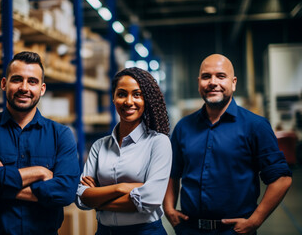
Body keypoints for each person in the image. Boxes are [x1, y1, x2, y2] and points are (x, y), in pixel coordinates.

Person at [163, 54, 292, 235]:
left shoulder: (255, 126)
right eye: (206, 76)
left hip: (234, 231)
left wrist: (255, 221)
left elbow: (281, 179)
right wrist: (168, 209)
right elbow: (171, 172)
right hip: (190, 229)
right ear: (199, 82)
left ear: (233, 82)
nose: (213, 82)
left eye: (221, 76)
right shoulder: (184, 127)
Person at [0, 51, 80, 235]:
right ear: (4, 84)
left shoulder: (61, 135)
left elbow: (66, 192)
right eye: (17, 79)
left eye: (32, 81)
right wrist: (39, 172)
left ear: (42, 89)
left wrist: (0, 180)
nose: (24, 87)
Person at [76, 67, 172, 235]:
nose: (129, 101)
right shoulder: (99, 146)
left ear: (146, 100)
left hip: (145, 232)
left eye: (137, 94)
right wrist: (121, 188)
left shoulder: (158, 142)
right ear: (113, 98)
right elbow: (80, 196)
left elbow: (150, 200)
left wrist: (97, 198)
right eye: (121, 94)